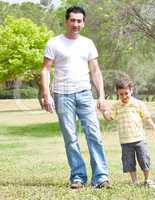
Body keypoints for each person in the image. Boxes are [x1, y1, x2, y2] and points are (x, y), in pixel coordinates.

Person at [40, 6, 110, 189]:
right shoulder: (54, 43)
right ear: (66, 21)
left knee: (94, 134)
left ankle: (101, 177)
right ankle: (78, 176)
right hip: (62, 95)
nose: (76, 24)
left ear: (83, 23)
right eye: (72, 20)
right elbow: (46, 69)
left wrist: (101, 96)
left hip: (85, 94)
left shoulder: (87, 43)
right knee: (70, 137)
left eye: (79, 21)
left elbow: (95, 71)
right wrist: (47, 95)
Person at [100, 79, 155, 188]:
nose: (124, 96)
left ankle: (147, 179)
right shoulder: (116, 106)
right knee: (129, 162)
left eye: (126, 93)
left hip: (139, 139)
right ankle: (135, 181)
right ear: (117, 93)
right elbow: (109, 118)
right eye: (121, 94)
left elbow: (147, 118)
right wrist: (103, 111)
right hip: (125, 140)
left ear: (131, 91)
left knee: (144, 159)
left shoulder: (138, 104)